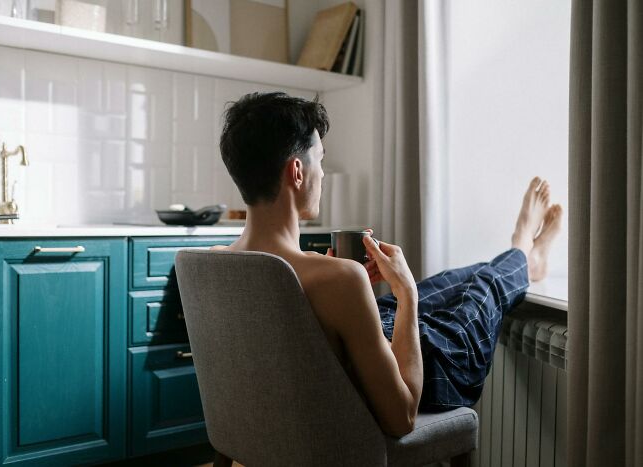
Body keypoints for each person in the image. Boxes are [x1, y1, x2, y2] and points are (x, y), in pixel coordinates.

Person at [216, 92, 563, 437]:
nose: (321, 174)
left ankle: (525, 263)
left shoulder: (219, 263)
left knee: (454, 279)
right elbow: (402, 416)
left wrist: (342, 284)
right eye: (320, 161)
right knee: (482, 285)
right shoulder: (335, 278)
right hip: (434, 364)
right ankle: (521, 249)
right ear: (296, 171)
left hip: (366, 347)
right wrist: (406, 292)